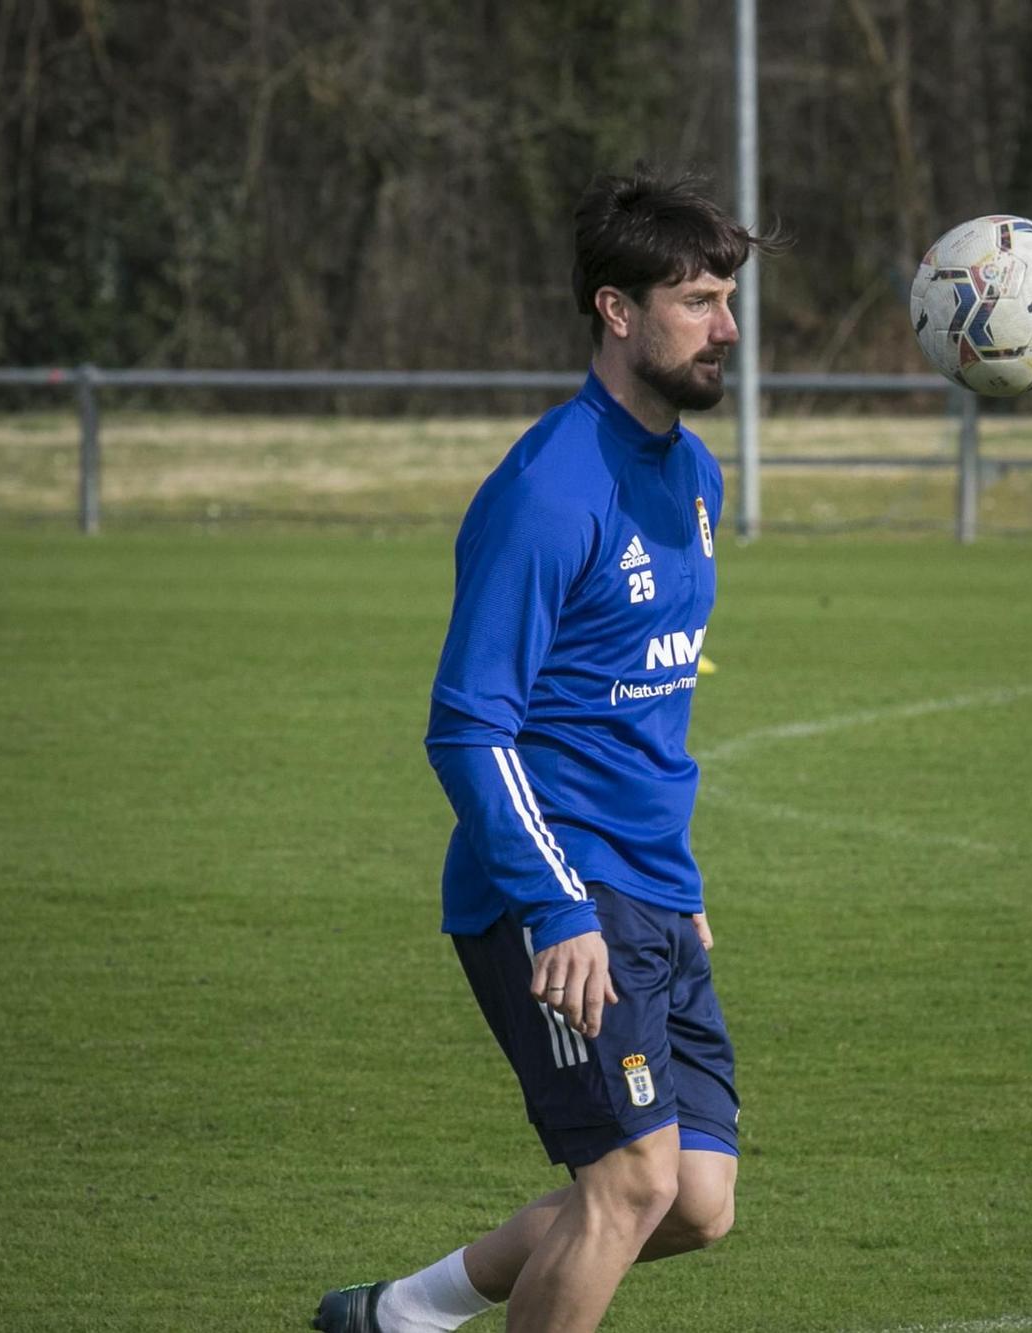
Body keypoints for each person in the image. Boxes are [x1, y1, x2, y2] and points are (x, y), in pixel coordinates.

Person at [313, 170, 781, 1333]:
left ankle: (401, 1316)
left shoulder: (692, 473)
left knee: (695, 1202)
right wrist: (558, 906)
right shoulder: (546, 491)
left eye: (728, 299)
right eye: (698, 301)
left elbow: (642, 703)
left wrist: (681, 884)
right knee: (627, 1183)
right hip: (559, 890)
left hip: (652, 883)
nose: (726, 328)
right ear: (617, 313)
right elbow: (467, 724)